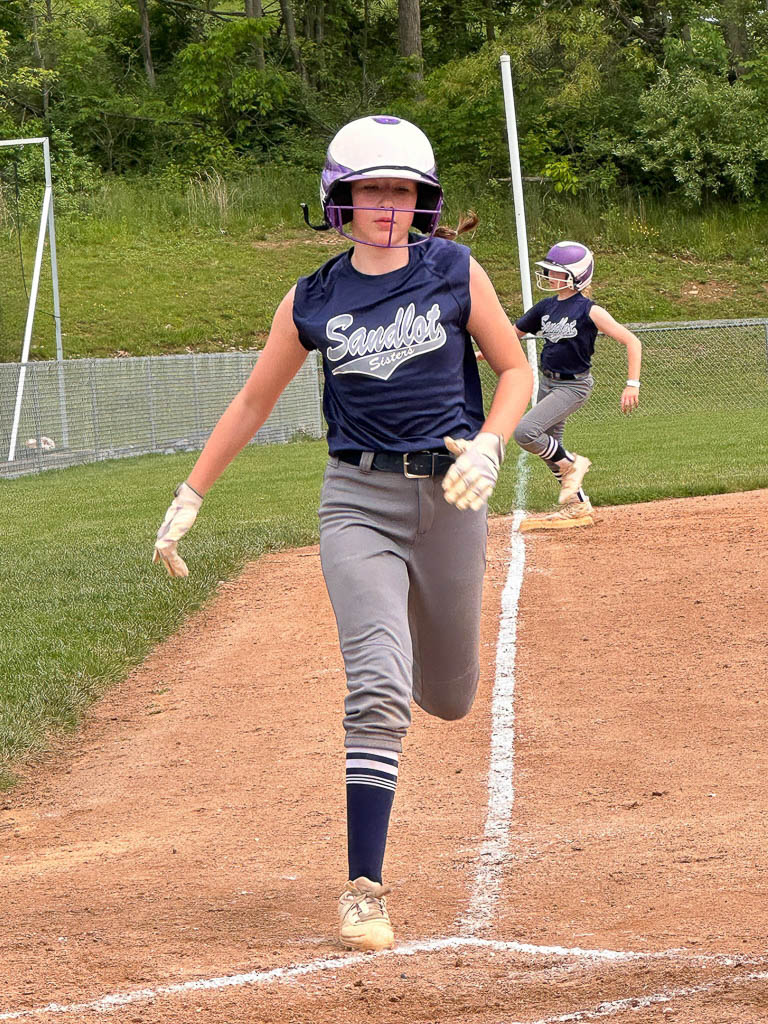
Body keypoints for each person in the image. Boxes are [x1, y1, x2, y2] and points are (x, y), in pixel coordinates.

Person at [152, 114, 533, 952]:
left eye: (402, 190)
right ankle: (364, 887)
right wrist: (190, 493)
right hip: (356, 499)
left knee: (451, 696)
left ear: (423, 201)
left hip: (453, 497)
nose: (387, 205)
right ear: (341, 200)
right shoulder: (313, 298)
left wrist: (495, 443)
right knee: (376, 686)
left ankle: (423, 696)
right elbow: (253, 400)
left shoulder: (455, 272)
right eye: (372, 189)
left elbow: (514, 368)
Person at [511, 241, 642, 525]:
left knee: (525, 432)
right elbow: (511, 336)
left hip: (573, 386)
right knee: (550, 449)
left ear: (575, 275)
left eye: (555, 271)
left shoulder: (589, 310)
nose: (548, 276)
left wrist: (633, 383)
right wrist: (478, 353)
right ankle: (578, 506)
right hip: (548, 383)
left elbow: (632, 341)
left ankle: (574, 465)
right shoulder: (545, 307)